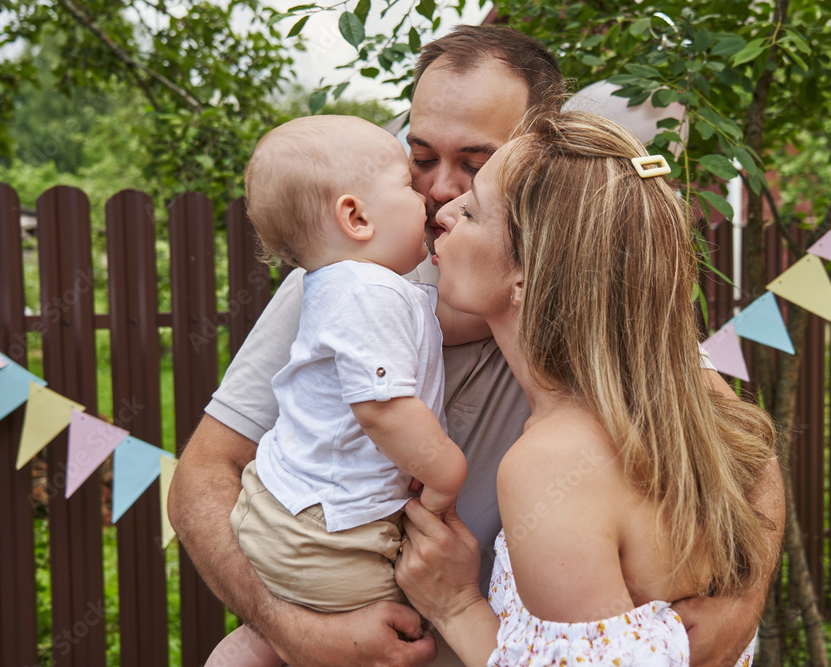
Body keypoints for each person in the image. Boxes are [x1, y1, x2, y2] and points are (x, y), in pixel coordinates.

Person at [168, 24, 785, 667]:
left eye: (475, 165)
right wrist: (289, 629)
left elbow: (741, 449)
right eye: (421, 157)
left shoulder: (590, 314)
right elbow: (202, 477)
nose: (439, 192)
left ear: (537, 156)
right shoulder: (345, 279)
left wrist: (737, 614)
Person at [396, 110, 778, 666]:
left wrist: (456, 605)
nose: (444, 213)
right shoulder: (677, 410)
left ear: (528, 275)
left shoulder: (552, 462)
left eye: (473, 211)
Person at [203, 115, 481, 666]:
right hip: (332, 531)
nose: (428, 199)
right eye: (409, 182)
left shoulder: (351, 285)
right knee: (380, 633)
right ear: (356, 217)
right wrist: (446, 472)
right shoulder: (367, 291)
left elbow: (447, 323)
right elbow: (382, 409)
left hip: (282, 505)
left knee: (265, 639)